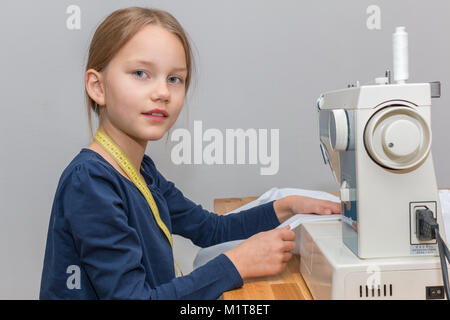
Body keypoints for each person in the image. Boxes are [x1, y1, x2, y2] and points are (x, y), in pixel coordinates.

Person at [39, 7, 341, 300]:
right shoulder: (90, 182)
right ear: (98, 86)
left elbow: (211, 229)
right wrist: (236, 264)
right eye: (141, 73)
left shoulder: (141, 172)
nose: (162, 92)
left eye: (175, 79)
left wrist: (287, 206)